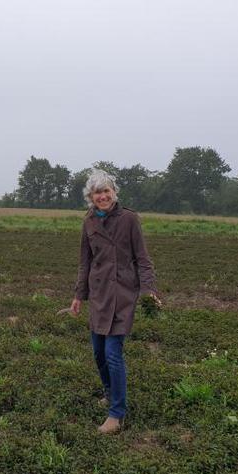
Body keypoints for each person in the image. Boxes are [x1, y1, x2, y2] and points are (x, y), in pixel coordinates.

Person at [68, 169, 161, 434]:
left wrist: (148, 291)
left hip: (122, 295)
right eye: (98, 192)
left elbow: (143, 259)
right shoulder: (88, 222)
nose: (103, 196)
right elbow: (85, 262)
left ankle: (116, 414)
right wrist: (78, 296)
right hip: (98, 295)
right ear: (91, 197)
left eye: (107, 190)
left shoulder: (129, 219)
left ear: (114, 192)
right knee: (98, 352)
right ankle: (110, 394)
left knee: (112, 353)